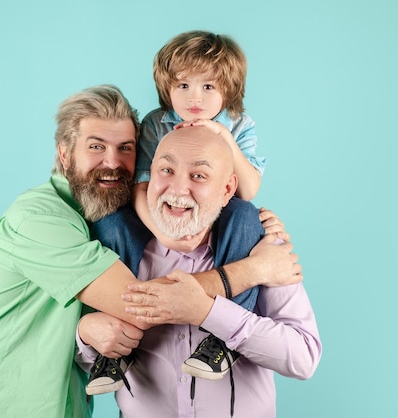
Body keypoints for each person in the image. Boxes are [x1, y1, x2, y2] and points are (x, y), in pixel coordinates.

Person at [0, 84, 301, 418]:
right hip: (5, 405)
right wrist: (254, 271)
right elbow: (138, 303)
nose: (113, 162)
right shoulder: (40, 219)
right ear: (63, 154)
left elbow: (302, 354)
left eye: (126, 148)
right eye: (96, 147)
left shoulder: (113, 222)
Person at [77, 126, 322, 418]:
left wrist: (208, 312)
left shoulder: (261, 247)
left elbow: (303, 358)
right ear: (149, 176)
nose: (178, 189)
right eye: (166, 170)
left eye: (199, 176)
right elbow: (81, 359)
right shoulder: (115, 250)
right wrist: (85, 336)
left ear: (228, 190)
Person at [88, 30, 271, 393]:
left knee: (246, 215)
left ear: (228, 90)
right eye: (183, 86)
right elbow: (142, 185)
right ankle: (120, 333)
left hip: (215, 214)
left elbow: (247, 189)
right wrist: (162, 232)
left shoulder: (239, 126)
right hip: (156, 214)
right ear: (166, 89)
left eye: (208, 87)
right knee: (112, 221)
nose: (194, 98)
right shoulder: (157, 123)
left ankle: (223, 340)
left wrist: (225, 140)